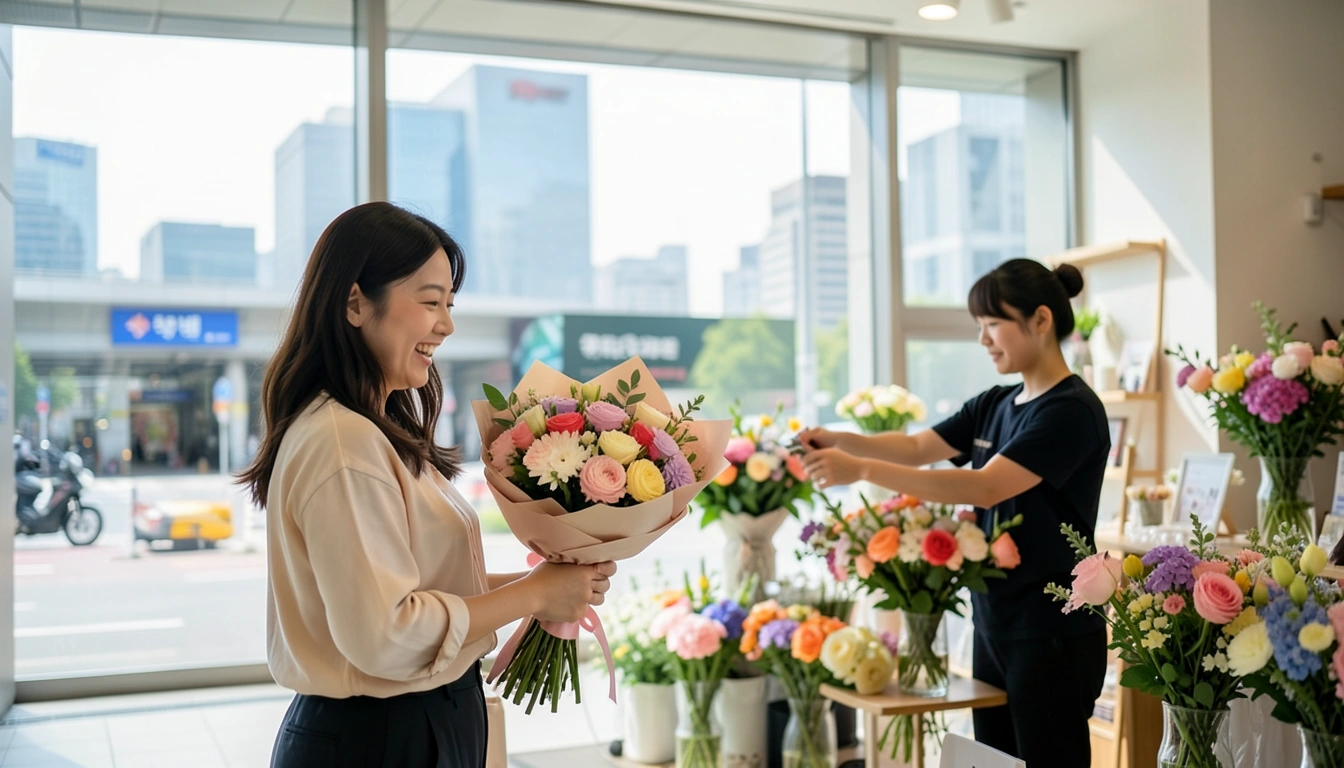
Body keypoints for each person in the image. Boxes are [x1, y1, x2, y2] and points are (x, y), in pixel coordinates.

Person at [239, 202, 615, 768]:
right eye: (431, 302)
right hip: (380, 737)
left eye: (450, 304)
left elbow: (418, 585)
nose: (447, 324)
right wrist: (536, 595)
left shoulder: (370, 429)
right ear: (355, 302)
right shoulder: (344, 443)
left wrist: (547, 582)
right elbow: (385, 632)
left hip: (414, 722)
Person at [798, 259, 1109, 767]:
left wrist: (862, 471)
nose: (984, 340)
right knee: (993, 761)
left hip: (1051, 628)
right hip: (996, 619)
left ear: (1041, 321)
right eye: (979, 328)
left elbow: (984, 487)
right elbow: (919, 445)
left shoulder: (1071, 410)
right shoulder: (996, 402)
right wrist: (839, 439)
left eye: (993, 324)